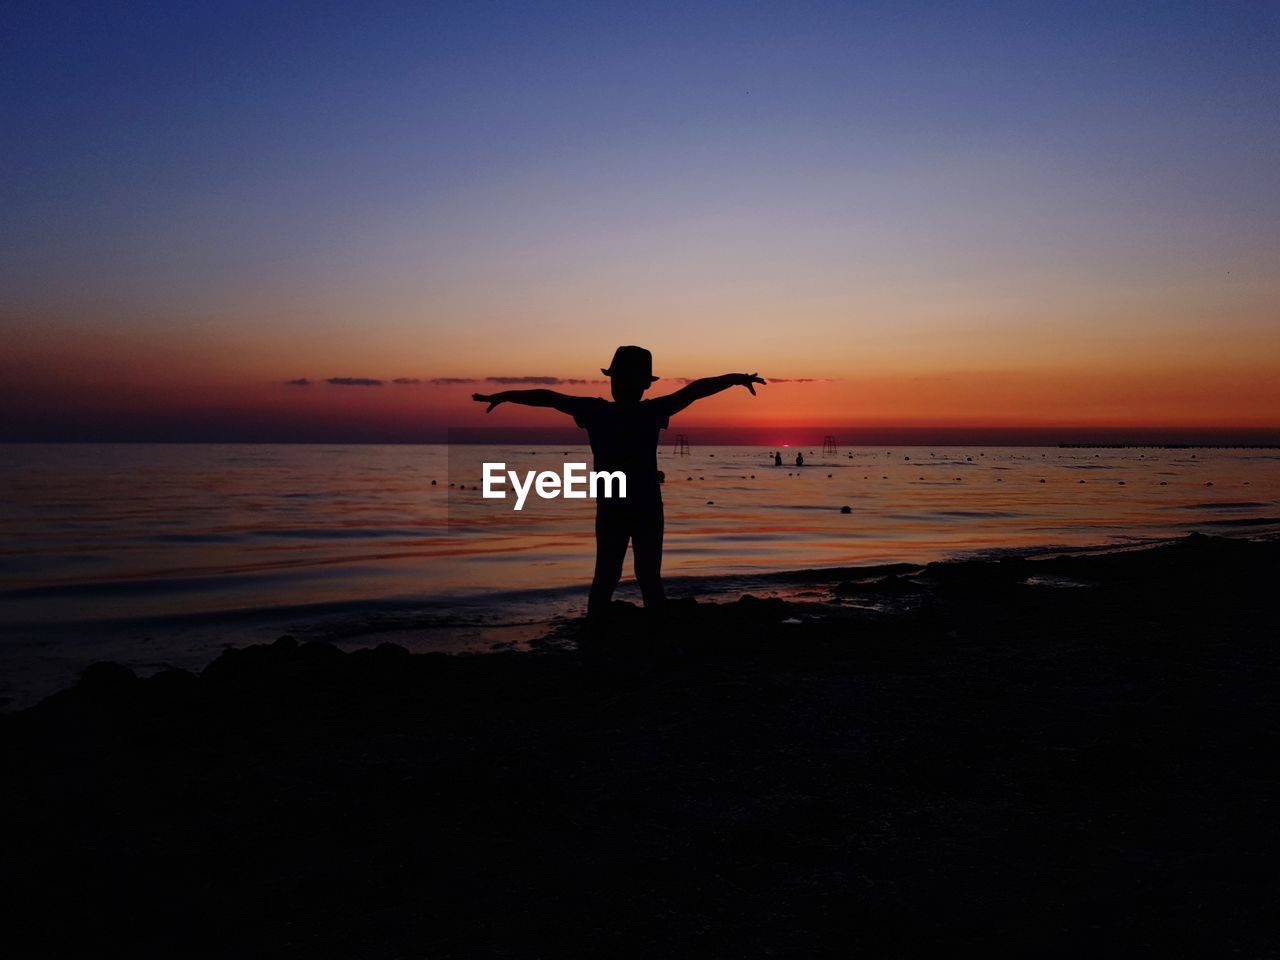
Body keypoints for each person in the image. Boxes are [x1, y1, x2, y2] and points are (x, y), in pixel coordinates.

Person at [474, 346, 764, 628]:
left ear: (615, 381)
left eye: (617, 378)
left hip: (614, 504)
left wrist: (507, 396)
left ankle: (598, 627)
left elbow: (550, 398)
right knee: (648, 576)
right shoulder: (651, 410)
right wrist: (737, 379)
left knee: (607, 574)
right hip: (646, 503)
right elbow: (695, 390)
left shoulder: (596, 411)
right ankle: (653, 630)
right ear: (645, 385)